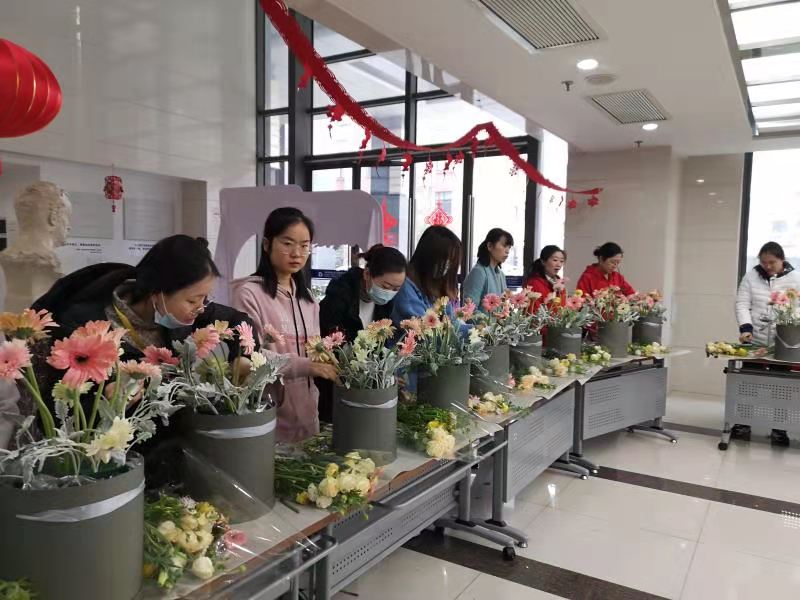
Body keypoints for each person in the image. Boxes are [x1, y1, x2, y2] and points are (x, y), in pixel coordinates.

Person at [231, 207, 337, 443]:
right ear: (267, 245)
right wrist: (307, 366)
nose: (297, 253)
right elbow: (251, 356)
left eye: (304, 245)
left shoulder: (308, 300)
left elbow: (314, 351)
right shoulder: (249, 294)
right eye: (288, 243)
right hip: (267, 415)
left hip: (308, 417)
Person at [734, 241, 800, 445]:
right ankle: (743, 423)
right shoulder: (751, 276)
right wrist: (746, 328)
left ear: (782, 260)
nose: (767, 266)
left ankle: (779, 428)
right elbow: (742, 303)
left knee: (781, 387)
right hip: (755, 340)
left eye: (772, 262)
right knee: (748, 383)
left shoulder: (795, 278)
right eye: (764, 262)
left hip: (783, 343)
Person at [320, 244, 407, 341]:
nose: (389, 293)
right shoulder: (338, 298)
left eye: (396, 289)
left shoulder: (388, 306)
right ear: (367, 274)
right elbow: (329, 341)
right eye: (386, 287)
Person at [391, 225, 463, 326]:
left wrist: (477, 330)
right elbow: (423, 329)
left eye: (451, 261)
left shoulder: (436, 284)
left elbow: (452, 323)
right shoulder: (407, 288)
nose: (448, 266)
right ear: (430, 257)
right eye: (446, 260)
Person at [462, 228, 513, 307]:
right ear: (490, 246)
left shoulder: (501, 274)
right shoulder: (478, 272)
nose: (507, 251)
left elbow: (502, 305)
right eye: (504, 246)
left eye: (509, 247)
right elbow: (469, 309)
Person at [525, 245, 568, 313]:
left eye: (561, 261)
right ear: (543, 261)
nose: (559, 264)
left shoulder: (559, 282)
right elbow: (534, 312)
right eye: (555, 260)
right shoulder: (534, 283)